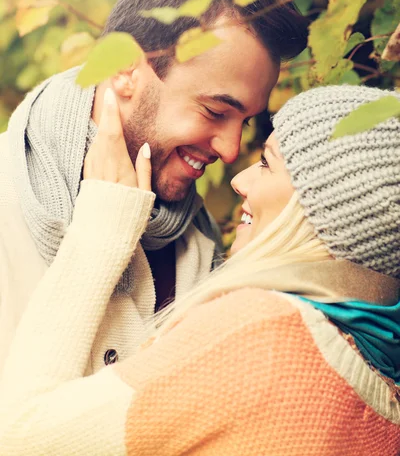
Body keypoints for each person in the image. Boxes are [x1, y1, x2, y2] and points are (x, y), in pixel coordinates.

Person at [1, 84, 399, 455]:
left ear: (323, 212)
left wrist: (102, 230)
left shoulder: (262, 336)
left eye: (266, 163)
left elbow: (20, 436)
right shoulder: (384, 388)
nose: (239, 178)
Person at [0, 0, 308, 376]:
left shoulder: (194, 238)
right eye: (215, 110)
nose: (230, 148)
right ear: (126, 70)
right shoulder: (6, 208)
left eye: (245, 121)